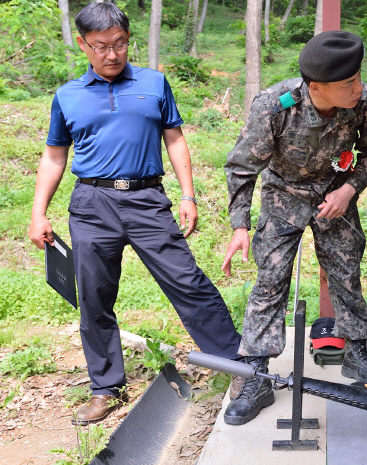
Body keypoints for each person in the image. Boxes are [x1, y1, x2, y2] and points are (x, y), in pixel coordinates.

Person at [28, 3, 242, 426]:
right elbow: (54, 156)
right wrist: (39, 213)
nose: (113, 54)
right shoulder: (68, 95)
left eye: (121, 44)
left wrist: (188, 195)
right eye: (102, 47)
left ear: (129, 39)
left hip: (147, 200)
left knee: (188, 280)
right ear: (85, 45)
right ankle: (106, 387)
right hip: (91, 205)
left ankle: (238, 367)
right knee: (93, 297)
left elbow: (175, 139)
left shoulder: (153, 83)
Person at [221, 31, 367, 425]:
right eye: (348, 83)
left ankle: (356, 353)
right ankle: (257, 375)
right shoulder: (275, 106)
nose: (359, 87)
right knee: (270, 281)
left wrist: (349, 189)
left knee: (347, 274)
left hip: (336, 194)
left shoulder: (363, 101)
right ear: (316, 87)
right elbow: (241, 167)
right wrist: (239, 227)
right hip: (285, 195)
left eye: (358, 77)